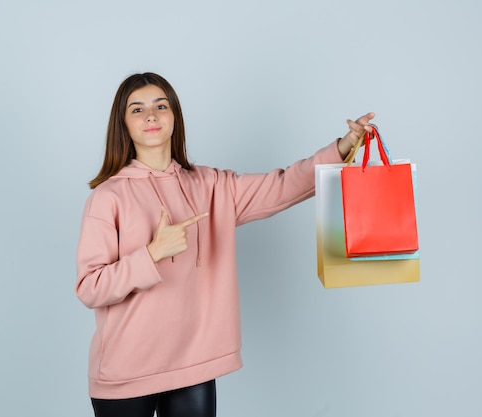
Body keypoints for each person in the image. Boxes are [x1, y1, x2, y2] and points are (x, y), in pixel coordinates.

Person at [75, 72, 374, 417]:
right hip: (125, 371)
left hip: (194, 364)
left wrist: (342, 147)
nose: (152, 116)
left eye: (161, 105)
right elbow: (89, 287)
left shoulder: (212, 185)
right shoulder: (107, 197)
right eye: (137, 110)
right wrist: (152, 253)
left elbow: (283, 185)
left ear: (175, 116)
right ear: (123, 124)